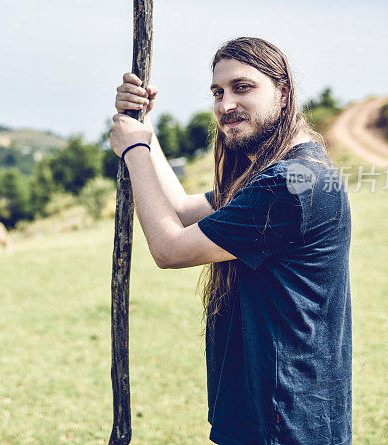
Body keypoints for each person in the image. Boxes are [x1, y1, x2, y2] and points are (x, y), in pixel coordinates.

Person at [109, 36, 352, 444]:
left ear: (284, 91)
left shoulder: (291, 186)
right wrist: (145, 132)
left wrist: (133, 151)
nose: (225, 105)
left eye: (243, 87)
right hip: (271, 414)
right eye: (218, 92)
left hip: (283, 422)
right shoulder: (276, 174)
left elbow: (170, 249)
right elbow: (184, 210)